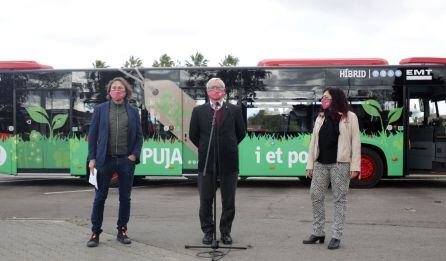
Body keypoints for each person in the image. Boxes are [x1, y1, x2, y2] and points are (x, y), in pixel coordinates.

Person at [86, 77, 143, 247]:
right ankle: (95, 232)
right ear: (109, 91)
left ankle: (122, 231)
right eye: (114, 88)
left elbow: (139, 136)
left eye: (120, 88)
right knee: (99, 198)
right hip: (104, 160)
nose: (117, 91)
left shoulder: (133, 111)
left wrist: (134, 155)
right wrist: (92, 158)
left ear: (126, 92)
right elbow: (93, 136)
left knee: (125, 198)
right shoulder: (100, 110)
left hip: (126, 161)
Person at [189, 78, 246, 245]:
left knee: (228, 201)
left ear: (225, 90)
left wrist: (227, 145)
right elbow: (194, 135)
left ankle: (225, 232)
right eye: (212, 87)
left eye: (219, 87)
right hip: (207, 161)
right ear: (207, 92)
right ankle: (208, 231)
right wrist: (207, 146)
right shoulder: (199, 111)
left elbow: (241, 133)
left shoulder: (235, 110)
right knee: (206, 200)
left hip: (229, 161)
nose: (216, 90)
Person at [303, 87, 361, 250]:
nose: (323, 100)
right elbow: (313, 141)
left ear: (335, 99)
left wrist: (355, 165)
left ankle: (336, 235)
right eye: (322, 97)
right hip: (320, 163)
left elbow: (356, 143)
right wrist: (310, 164)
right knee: (315, 195)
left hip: (340, 165)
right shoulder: (320, 117)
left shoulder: (350, 117)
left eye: (326, 97)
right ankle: (318, 232)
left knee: (339, 199)